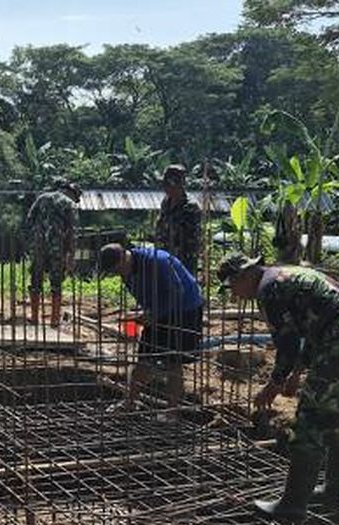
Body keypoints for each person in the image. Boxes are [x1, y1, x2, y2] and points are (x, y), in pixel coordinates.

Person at [217, 253, 339, 521]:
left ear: (244, 276)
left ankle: (292, 505)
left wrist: (274, 383)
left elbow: (288, 342)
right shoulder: (286, 275)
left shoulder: (268, 289)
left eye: (232, 287)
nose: (235, 295)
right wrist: (297, 372)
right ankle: (334, 493)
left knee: (311, 421)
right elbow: (314, 324)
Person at [98, 243, 204, 414]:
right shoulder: (127, 271)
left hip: (185, 310)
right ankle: (129, 402)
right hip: (159, 311)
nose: (118, 275)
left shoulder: (158, 262)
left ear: (124, 258)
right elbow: (147, 295)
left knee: (173, 362)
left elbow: (177, 291)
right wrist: (144, 314)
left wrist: (153, 315)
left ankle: (171, 412)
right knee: (145, 358)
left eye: (117, 270)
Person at [23, 179, 81, 327]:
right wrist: (71, 256)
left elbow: (28, 222)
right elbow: (73, 233)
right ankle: (54, 320)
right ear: (71, 193)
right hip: (58, 249)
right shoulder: (70, 204)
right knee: (56, 284)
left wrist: (33, 241)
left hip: (38, 247)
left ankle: (34, 318)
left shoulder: (42, 198)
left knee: (35, 281)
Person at [154, 164, 202, 278]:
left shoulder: (190, 207)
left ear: (177, 185)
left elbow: (190, 239)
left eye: (167, 185)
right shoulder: (166, 203)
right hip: (165, 257)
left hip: (183, 260)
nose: (164, 188)